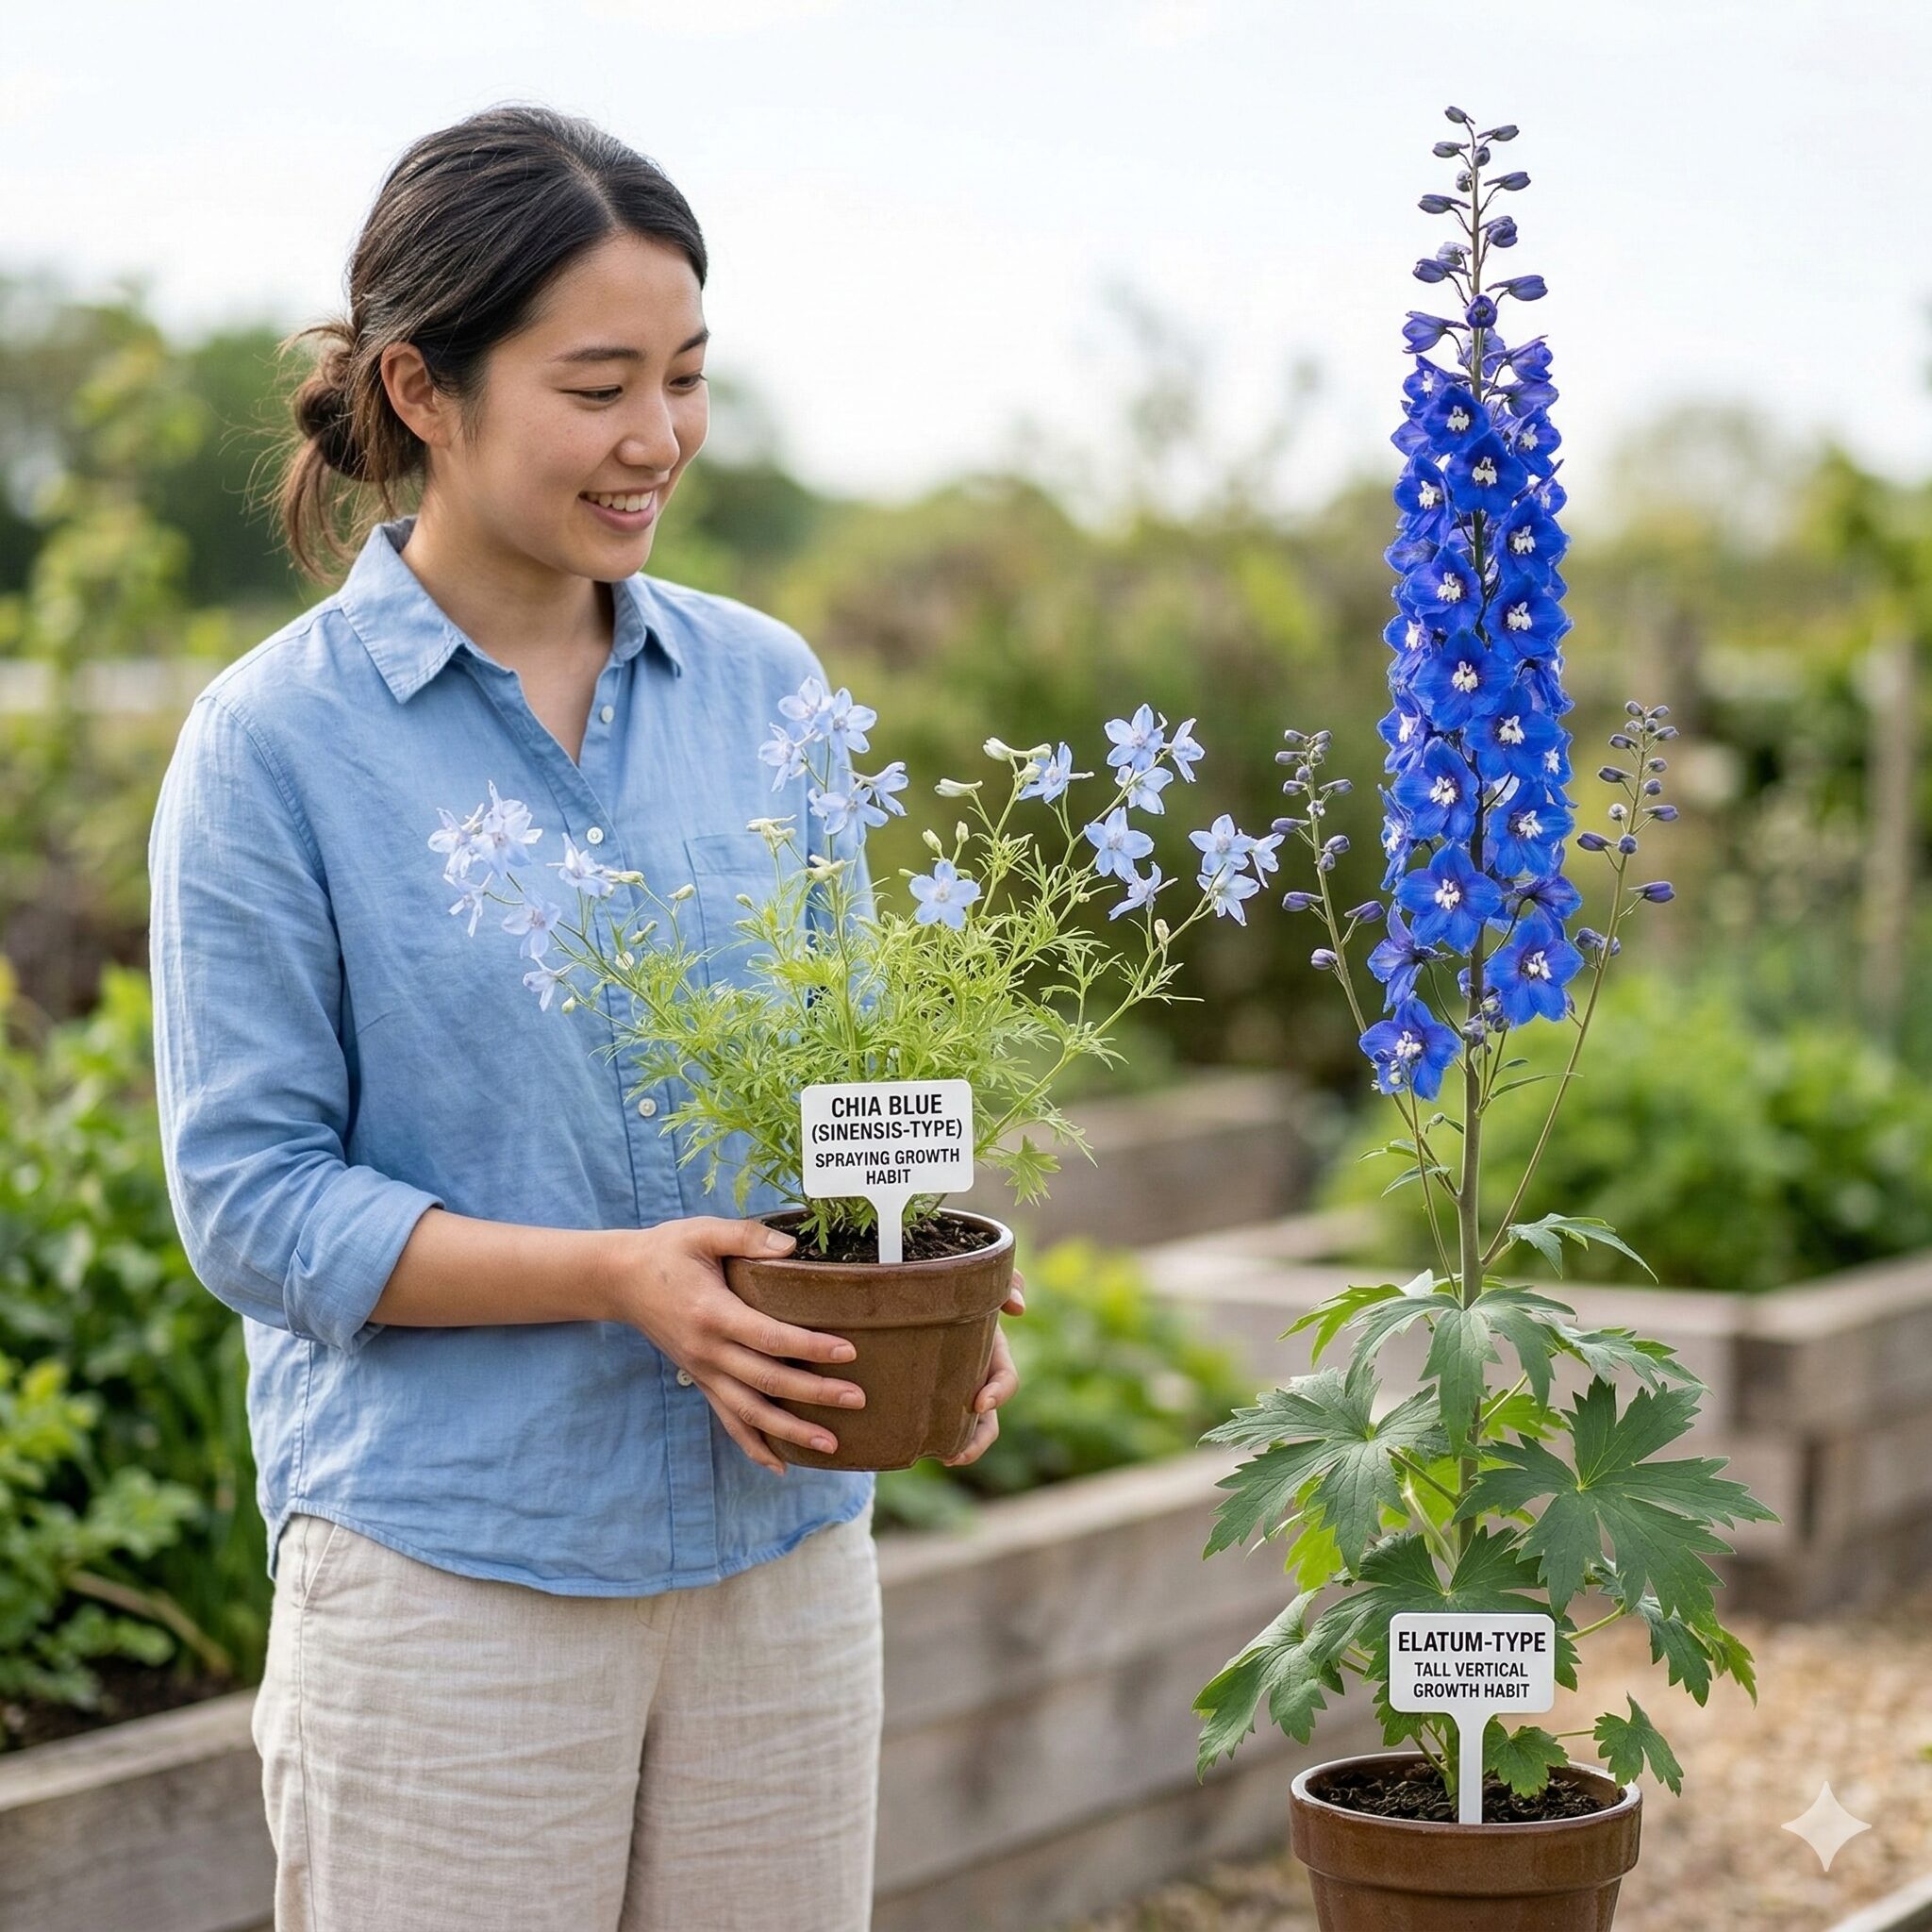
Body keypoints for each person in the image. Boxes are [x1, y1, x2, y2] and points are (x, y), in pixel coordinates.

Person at [145, 103, 1022, 1932]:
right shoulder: (275, 745)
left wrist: (931, 1298)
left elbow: (862, 1088)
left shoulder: (766, 687)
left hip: (779, 1563)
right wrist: (615, 1274)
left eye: (688, 379)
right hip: (457, 1581)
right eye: (600, 384)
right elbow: (249, 1197)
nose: (659, 441)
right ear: (425, 387)